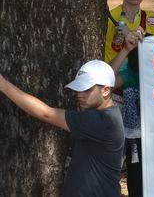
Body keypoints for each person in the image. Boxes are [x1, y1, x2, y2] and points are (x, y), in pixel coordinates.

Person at [0, 60, 125, 197]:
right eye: (79, 89)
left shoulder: (99, 121)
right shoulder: (109, 114)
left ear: (106, 90)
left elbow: (46, 114)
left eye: (87, 89)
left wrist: (5, 86)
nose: (79, 94)